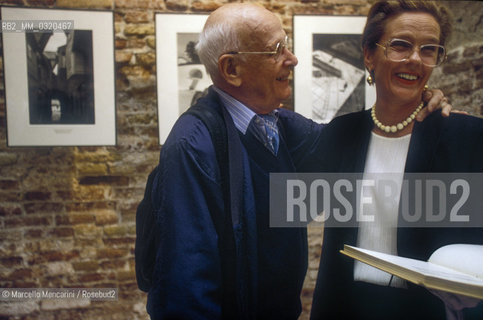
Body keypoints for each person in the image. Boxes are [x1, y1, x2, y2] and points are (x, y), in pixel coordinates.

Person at [146, 3, 451, 319]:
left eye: (287, 46)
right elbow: (184, 287)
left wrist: (416, 103)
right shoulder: (193, 145)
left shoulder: (280, 126)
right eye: (276, 50)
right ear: (231, 70)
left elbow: (351, 142)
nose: (292, 60)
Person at [306, 1, 483, 319]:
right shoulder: (340, 134)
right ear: (369, 54)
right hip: (343, 305)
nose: (415, 58)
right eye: (400, 45)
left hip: (428, 310)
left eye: (429, 49)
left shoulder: (465, 135)